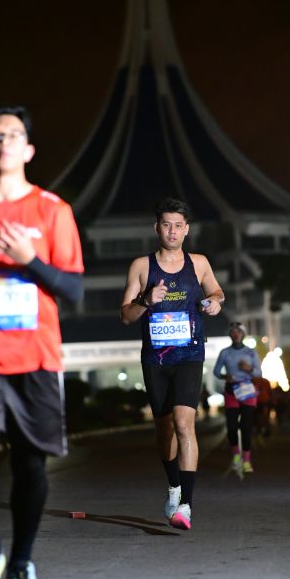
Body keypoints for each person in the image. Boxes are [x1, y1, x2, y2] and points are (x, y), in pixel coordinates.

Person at [0, 105, 84, 579]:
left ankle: (21, 560)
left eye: (13, 134)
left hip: (36, 356)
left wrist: (29, 260)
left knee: (29, 465)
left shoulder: (52, 211)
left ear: (29, 149)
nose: (3, 141)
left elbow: (73, 289)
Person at [120, 198, 224, 530]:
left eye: (178, 225)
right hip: (155, 358)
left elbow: (217, 294)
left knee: (184, 423)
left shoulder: (199, 263)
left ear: (187, 229)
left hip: (190, 354)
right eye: (166, 225)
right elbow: (126, 315)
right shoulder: (141, 266)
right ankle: (174, 486)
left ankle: (187, 506)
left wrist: (213, 303)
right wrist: (146, 299)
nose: (172, 231)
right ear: (157, 228)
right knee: (165, 430)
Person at [213, 322, 261, 473]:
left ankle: (246, 460)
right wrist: (224, 376)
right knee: (232, 427)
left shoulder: (251, 352)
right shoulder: (225, 352)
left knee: (246, 427)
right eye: (233, 332)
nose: (235, 334)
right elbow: (216, 371)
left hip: (247, 391)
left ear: (243, 334)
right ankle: (236, 454)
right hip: (231, 391)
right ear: (230, 334)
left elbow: (259, 373)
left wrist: (249, 368)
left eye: (238, 332)